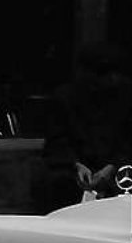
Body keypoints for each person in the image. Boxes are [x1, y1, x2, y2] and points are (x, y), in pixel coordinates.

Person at [38, 42, 132, 211]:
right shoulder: (66, 98)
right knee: (57, 180)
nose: (111, 79)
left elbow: (127, 140)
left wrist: (112, 167)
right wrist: (76, 164)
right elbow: (57, 140)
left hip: (118, 163)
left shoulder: (125, 96)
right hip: (75, 165)